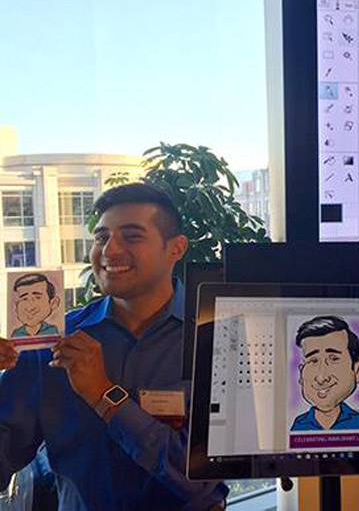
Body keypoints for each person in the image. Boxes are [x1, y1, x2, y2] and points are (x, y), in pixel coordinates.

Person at [0, 183, 228, 510]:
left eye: (131, 236)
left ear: (176, 248)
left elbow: (200, 481)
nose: (109, 250)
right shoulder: (51, 343)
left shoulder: (219, 336)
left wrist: (103, 394)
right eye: (101, 237)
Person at [291, 315, 359, 431]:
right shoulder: (299, 425)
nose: (321, 378)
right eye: (313, 361)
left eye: (334, 359)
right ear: (301, 375)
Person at [10, 273, 61, 338]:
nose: (30, 306)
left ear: (53, 303)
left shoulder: (52, 330)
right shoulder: (16, 333)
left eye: (38, 297)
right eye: (24, 299)